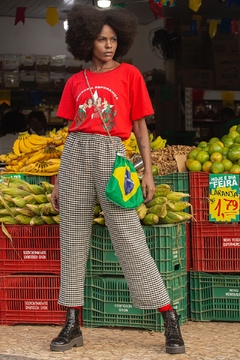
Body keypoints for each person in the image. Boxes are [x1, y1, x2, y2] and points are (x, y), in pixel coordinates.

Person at [50, 4, 185, 355]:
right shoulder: (75, 82)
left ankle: (169, 317)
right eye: (100, 39)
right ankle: (71, 323)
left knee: (129, 236)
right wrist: (58, 182)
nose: (107, 45)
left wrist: (149, 175)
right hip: (76, 156)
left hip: (114, 158)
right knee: (72, 240)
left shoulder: (130, 75)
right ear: (86, 42)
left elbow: (141, 127)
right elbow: (69, 131)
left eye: (112, 39)